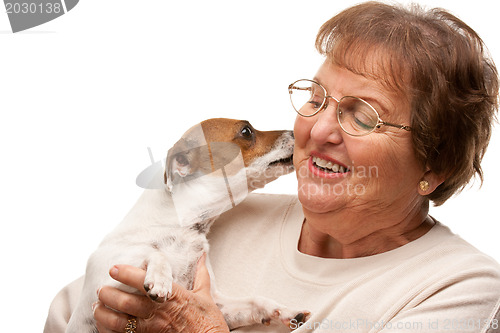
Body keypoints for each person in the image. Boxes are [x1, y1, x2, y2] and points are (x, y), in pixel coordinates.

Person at [44, 2, 500, 332]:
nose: (317, 129)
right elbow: (72, 311)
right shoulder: (224, 216)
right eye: (315, 98)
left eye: (363, 116)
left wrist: (200, 330)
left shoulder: (460, 290)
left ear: (433, 166)